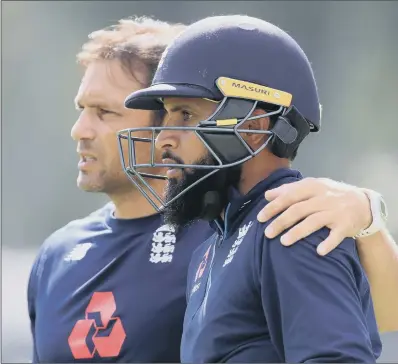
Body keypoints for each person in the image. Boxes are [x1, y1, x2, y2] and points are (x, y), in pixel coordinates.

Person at [27, 16, 396, 364]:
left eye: (185, 114)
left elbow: (383, 315)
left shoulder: (290, 222)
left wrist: (368, 213)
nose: (163, 139)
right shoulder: (214, 243)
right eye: (166, 114)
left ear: (253, 127)